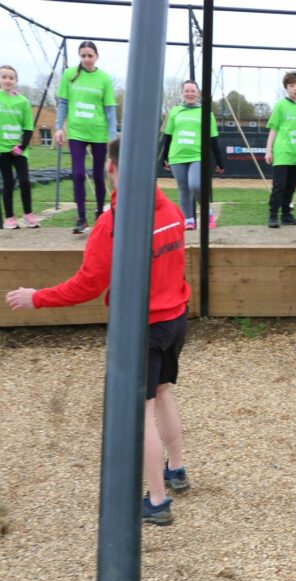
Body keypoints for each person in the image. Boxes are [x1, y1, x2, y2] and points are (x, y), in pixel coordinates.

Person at [5, 137, 192, 526]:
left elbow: (88, 284)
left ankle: (157, 500)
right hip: (175, 320)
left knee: (140, 414)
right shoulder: (172, 209)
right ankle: (176, 469)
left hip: (148, 328)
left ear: (111, 168)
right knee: (163, 393)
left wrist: (36, 297)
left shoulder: (115, 223)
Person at [55, 40, 117, 235]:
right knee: (78, 174)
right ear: (79, 56)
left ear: (96, 56)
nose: (87, 59)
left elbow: (109, 110)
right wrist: (58, 127)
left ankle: (100, 213)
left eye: (90, 55)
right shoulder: (69, 75)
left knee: (99, 175)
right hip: (76, 132)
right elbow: (63, 103)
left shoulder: (104, 79)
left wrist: (112, 136)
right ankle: (81, 217)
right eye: (83, 56)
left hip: (98, 132)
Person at [161, 80, 224, 231]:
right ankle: (189, 220)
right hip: (177, 156)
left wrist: (219, 161)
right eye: (187, 91)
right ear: (182, 93)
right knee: (183, 189)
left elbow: (213, 139)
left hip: (197, 155)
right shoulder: (175, 111)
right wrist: (164, 156)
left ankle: (207, 212)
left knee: (195, 185)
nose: (190, 94)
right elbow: (168, 136)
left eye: (192, 91)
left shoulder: (206, 112)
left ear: (198, 92)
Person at [265, 71, 296, 228]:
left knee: (291, 186)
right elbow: (273, 129)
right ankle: (272, 215)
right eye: (292, 85)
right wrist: (268, 150)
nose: (295, 88)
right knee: (279, 186)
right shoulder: (280, 105)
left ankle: (286, 215)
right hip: (283, 153)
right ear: (286, 88)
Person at [0, 65, 37, 229]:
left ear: (16, 80)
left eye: (11, 77)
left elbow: (28, 127)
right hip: (2, 151)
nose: (7, 80)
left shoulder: (23, 102)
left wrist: (21, 147)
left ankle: (28, 214)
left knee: (24, 181)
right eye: (4, 77)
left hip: (19, 150)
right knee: (8, 183)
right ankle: (9, 218)